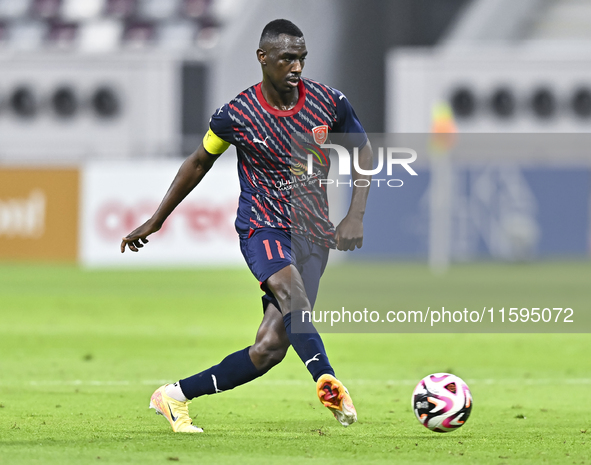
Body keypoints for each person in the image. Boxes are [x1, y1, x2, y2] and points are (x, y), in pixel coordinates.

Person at [121, 19, 372, 433]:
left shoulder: (329, 102)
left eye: (302, 59)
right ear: (263, 58)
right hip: (263, 228)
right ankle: (327, 380)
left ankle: (173, 396)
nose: (297, 67)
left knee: (269, 348)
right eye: (288, 58)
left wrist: (356, 214)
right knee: (293, 295)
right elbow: (198, 161)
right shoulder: (237, 114)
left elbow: (363, 152)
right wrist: (156, 219)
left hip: (313, 235)